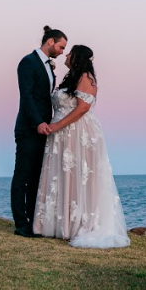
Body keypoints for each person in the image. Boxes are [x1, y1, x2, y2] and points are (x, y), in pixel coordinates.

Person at [33, 45, 129, 248]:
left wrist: (57, 125)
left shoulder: (85, 77)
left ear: (77, 57)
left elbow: (83, 108)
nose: (66, 55)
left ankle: (78, 225)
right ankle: (61, 224)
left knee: (77, 176)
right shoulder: (71, 77)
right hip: (62, 134)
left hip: (76, 132)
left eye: (69, 53)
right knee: (64, 175)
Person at [11, 26, 67, 238]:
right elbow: (26, 97)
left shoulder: (48, 66)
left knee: (36, 177)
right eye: (61, 47)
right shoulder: (28, 62)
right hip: (28, 128)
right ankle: (20, 223)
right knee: (22, 175)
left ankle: (33, 221)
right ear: (50, 41)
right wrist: (37, 122)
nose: (62, 52)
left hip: (44, 130)